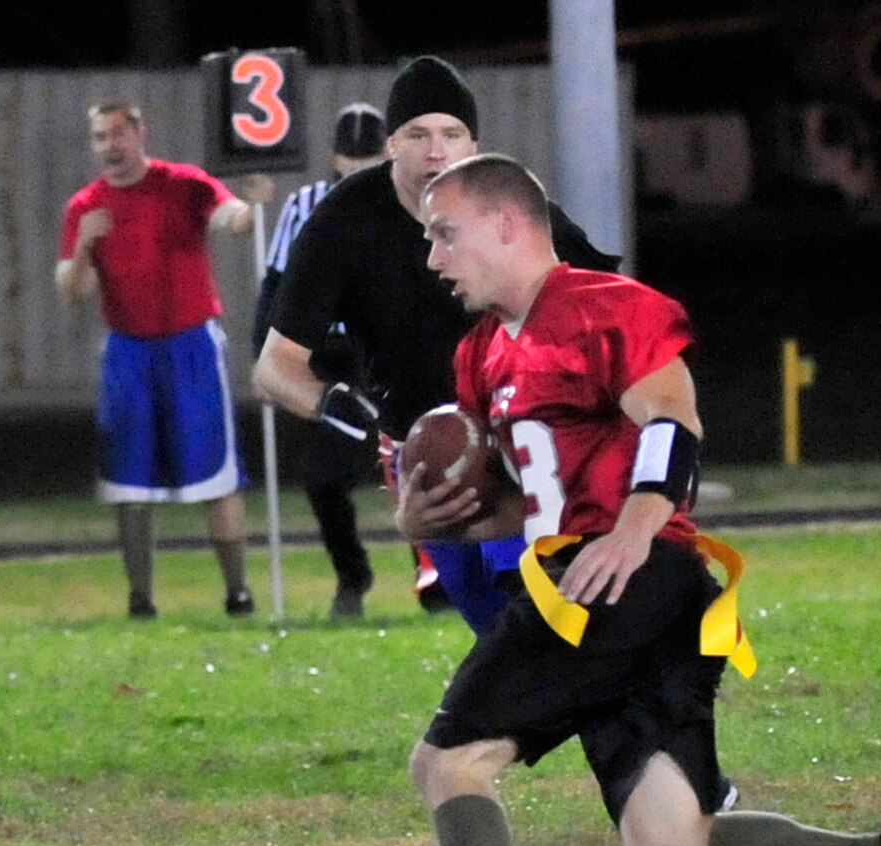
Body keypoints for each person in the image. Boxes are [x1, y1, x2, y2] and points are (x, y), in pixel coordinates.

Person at [369, 153, 881, 846]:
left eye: (444, 235)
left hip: (616, 578)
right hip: (620, 582)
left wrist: (638, 524)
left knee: (449, 762)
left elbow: (672, 416)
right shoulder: (483, 355)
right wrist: (432, 520)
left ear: (507, 223)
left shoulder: (605, 306)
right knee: (670, 843)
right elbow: (529, 504)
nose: (434, 260)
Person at [253, 56, 619, 633]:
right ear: (390, 143)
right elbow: (274, 365)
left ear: (473, 146)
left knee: (529, 608)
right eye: (418, 135)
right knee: (487, 622)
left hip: (517, 435)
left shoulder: (512, 208)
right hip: (423, 449)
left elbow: (615, 305)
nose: (436, 152)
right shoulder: (343, 221)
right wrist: (334, 405)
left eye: (451, 135)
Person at [56, 100, 269, 620]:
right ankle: (140, 598)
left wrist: (254, 204)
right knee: (129, 480)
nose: (110, 145)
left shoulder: (183, 184)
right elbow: (70, 291)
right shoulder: (85, 207)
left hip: (190, 345)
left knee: (215, 471)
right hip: (128, 351)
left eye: (118, 134)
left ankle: (237, 593)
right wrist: (84, 247)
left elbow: (232, 219)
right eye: (100, 137)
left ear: (139, 134)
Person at [250, 102, 387, 620]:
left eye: (367, 156)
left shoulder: (412, 202)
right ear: (333, 156)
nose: (356, 168)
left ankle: (436, 576)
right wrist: (264, 357)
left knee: (423, 462)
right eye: (349, 157)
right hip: (327, 356)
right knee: (323, 478)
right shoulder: (305, 204)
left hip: (388, 351)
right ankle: (351, 575)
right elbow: (276, 285)